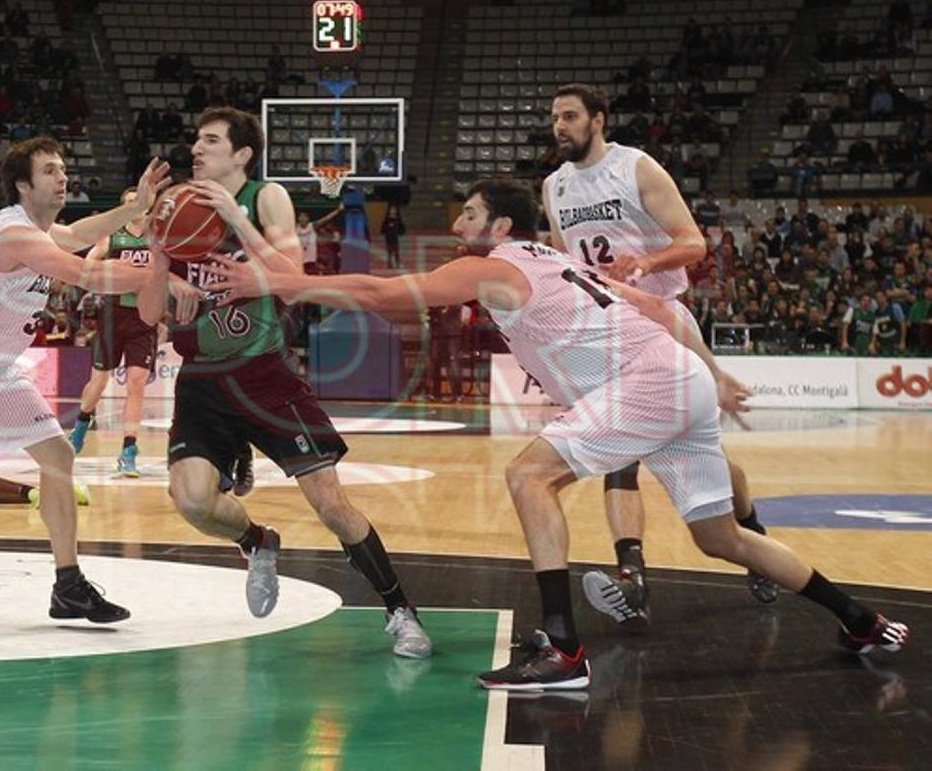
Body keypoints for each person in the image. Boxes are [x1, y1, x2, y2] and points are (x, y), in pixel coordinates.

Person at [210, 178, 910, 690]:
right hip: (677, 383)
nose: (458, 221)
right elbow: (663, 313)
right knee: (720, 537)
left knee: (527, 475)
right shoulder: (563, 261)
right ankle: (859, 618)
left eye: (471, 212)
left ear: (499, 224)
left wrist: (280, 287)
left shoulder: (494, 265)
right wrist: (712, 378)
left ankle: (564, 652)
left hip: (647, 387)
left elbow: (382, 296)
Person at [137, 107, 432, 659]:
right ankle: (257, 541)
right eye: (196, 141)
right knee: (194, 502)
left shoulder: (263, 196)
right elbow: (150, 311)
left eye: (210, 141)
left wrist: (237, 221)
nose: (196, 149)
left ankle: (400, 610)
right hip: (202, 381)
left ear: (242, 153)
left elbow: (293, 281)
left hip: (263, 374)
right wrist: (158, 254)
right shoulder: (177, 207)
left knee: (331, 505)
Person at [0, 136, 172, 632]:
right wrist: (159, 270)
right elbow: (85, 274)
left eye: (63, 167)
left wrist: (134, 207)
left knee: (58, 458)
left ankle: (68, 585)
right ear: (23, 185)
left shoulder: (38, 229)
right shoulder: (16, 237)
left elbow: (77, 233)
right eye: (50, 170)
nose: (62, 176)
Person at [543, 83, 779, 620]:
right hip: (607, 333)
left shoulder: (637, 168)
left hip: (663, 323)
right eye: (555, 117)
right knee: (620, 456)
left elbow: (694, 242)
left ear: (598, 120)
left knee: (711, 464)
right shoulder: (553, 187)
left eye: (570, 116)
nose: (560, 126)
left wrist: (647, 264)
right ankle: (632, 575)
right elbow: (568, 265)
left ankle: (752, 533)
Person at [68, 187, 202, 477]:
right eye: (129, 202)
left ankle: (129, 449)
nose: (136, 206)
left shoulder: (158, 239)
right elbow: (86, 266)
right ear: (124, 207)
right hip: (113, 315)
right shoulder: (112, 236)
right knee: (99, 383)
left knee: (137, 383)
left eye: (139, 202)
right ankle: (80, 425)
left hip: (144, 318)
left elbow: (170, 273)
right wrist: (110, 270)